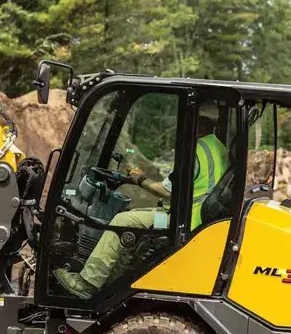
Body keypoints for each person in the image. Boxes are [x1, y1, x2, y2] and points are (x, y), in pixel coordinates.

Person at [53, 114, 229, 299]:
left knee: (123, 220)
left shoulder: (195, 151)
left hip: (183, 219)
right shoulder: (218, 147)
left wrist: (139, 179)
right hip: (194, 215)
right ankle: (113, 279)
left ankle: (88, 283)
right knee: (133, 215)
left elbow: (166, 191)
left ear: (198, 125)